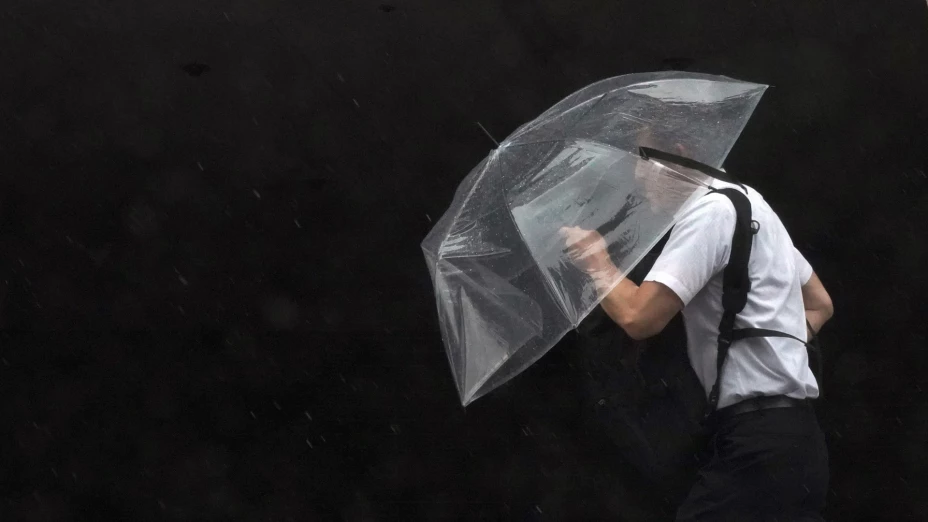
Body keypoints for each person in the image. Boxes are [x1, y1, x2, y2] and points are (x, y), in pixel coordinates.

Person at [560, 154, 834, 521]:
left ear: (676, 153)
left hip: (756, 443)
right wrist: (769, 352)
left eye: (643, 159)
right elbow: (820, 304)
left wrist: (596, 260)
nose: (638, 176)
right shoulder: (751, 204)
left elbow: (639, 318)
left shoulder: (709, 214)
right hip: (797, 441)